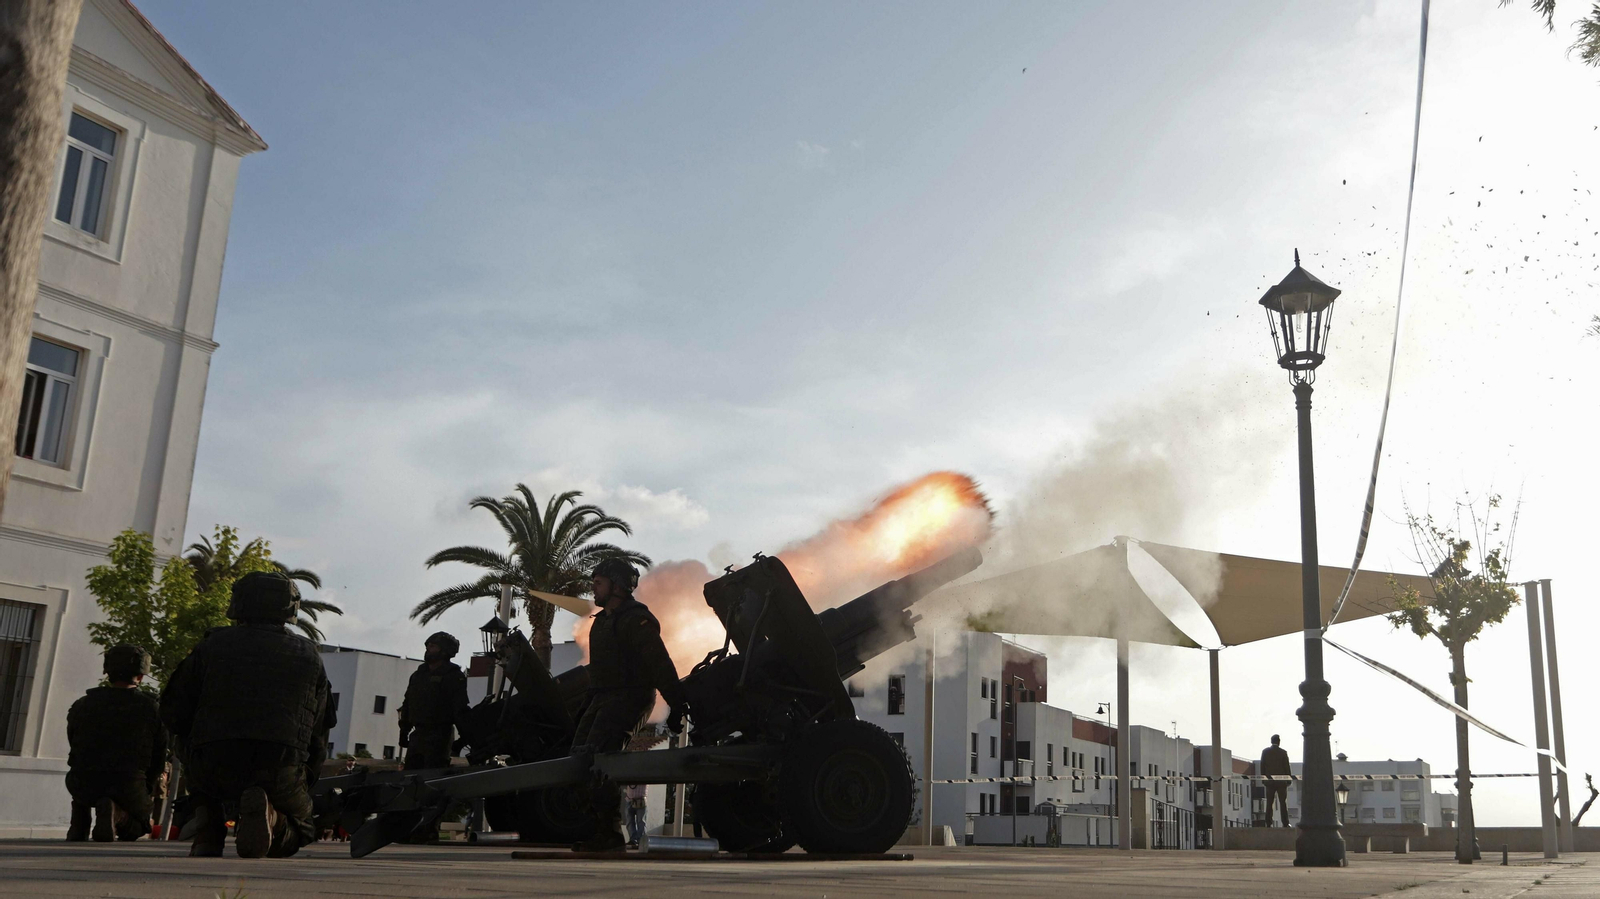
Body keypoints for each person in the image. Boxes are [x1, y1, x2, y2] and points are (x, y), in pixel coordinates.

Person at [160, 571, 336, 858]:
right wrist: (304, 777)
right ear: (290, 608)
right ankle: (273, 819)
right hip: (280, 768)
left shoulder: (211, 646)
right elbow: (319, 730)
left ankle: (208, 830)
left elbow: (174, 711)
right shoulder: (310, 655)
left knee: (192, 749)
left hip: (213, 766)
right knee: (303, 828)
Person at [572, 558, 689, 852]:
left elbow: (659, 664)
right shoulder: (600, 623)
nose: (593, 589)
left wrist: (677, 705)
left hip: (630, 698)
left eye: (598, 583)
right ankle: (595, 827)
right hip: (602, 697)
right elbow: (598, 672)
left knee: (601, 758)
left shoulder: (636, 620)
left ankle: (609, 833)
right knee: (578, 758)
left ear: (618, 586)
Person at [64, 644, 168, 842]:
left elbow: (74, 743)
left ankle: (79, 819)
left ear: (108, 672)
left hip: (82, 783)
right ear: (140, 676)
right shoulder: (152, 708)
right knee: (141, 825)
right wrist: (145, 788)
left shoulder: (82, 705)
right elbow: (159, 756)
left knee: (84, 777)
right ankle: (117, 815)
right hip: (128, 784)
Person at [398, 632, 469, 770]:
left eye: (433, 646)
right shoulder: (418, 676)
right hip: (417, 735)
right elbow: (408, 703)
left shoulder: (454, 676)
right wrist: (404, 731)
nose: (428, 649)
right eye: (428, 646)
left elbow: (459, 709)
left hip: (440, 736)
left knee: (433, 776)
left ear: (444, 650)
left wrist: (464, 738)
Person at [1261, 734, 1292, 827]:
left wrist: (1263, 779)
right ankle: (1285, 823)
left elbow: (1262, 766)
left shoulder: (1265, 752)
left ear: (1271, 741)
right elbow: (1287, 767)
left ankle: (1268, 823)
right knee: (1283, 802)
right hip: (1281, 782)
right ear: (1279, 741)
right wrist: (1288, 779)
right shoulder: (1283, 753)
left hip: (1269, 781)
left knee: (1269, 802)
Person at [624, 783, 647, 848]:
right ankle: (633, 840)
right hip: (629, 800)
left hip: (641, 800)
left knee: (641, 821)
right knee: (629, 821)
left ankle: (641, 840)